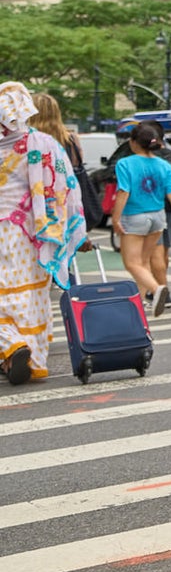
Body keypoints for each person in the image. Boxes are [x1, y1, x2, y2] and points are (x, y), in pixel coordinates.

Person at [0, 83, 86, 384]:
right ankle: (32, 360)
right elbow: (67, 188)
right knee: (33, 298)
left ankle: (10, 345)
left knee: (4, 298)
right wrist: (71, 228)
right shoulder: (43, 142)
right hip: (34, 233)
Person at [110, 121, 171, 318]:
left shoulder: (125, 163)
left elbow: (123, 192)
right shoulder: (163, 165)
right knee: (143, 261)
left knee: (132, 263)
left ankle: (157, 288)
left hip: (134, 217)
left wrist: (115, 218)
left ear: (134, 142)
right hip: (158, 217)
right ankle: (139, 303)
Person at [30, 93, 101, 236]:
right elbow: (74, 165)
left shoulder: (29, 140)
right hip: (65, 202)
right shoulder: (70, 139)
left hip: (35, 200)